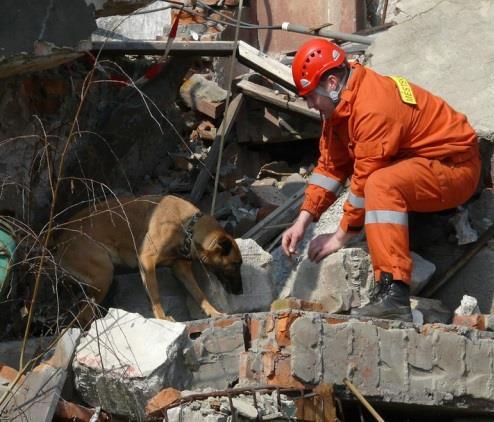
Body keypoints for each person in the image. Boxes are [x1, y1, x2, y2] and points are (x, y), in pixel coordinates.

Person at [281, 39, 481, 322]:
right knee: (380, 181)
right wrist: (303, 220)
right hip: (423, 164)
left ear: (332, 83)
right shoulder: (340, 108)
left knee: (381, 185)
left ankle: (394, 294)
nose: (311, 104)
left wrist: (339, 237)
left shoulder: (372, 107)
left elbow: (363, 184)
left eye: (311, 96)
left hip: (456, 169)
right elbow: (330, 166)